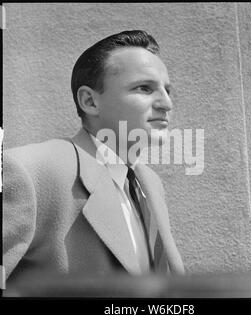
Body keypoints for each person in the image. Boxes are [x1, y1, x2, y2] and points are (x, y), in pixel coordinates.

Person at [3, 30, 185, 295]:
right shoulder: (28, 171)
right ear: (90, 101)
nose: (166, 103)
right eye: (144, 88)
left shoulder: (149, 184)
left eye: (167, 90)